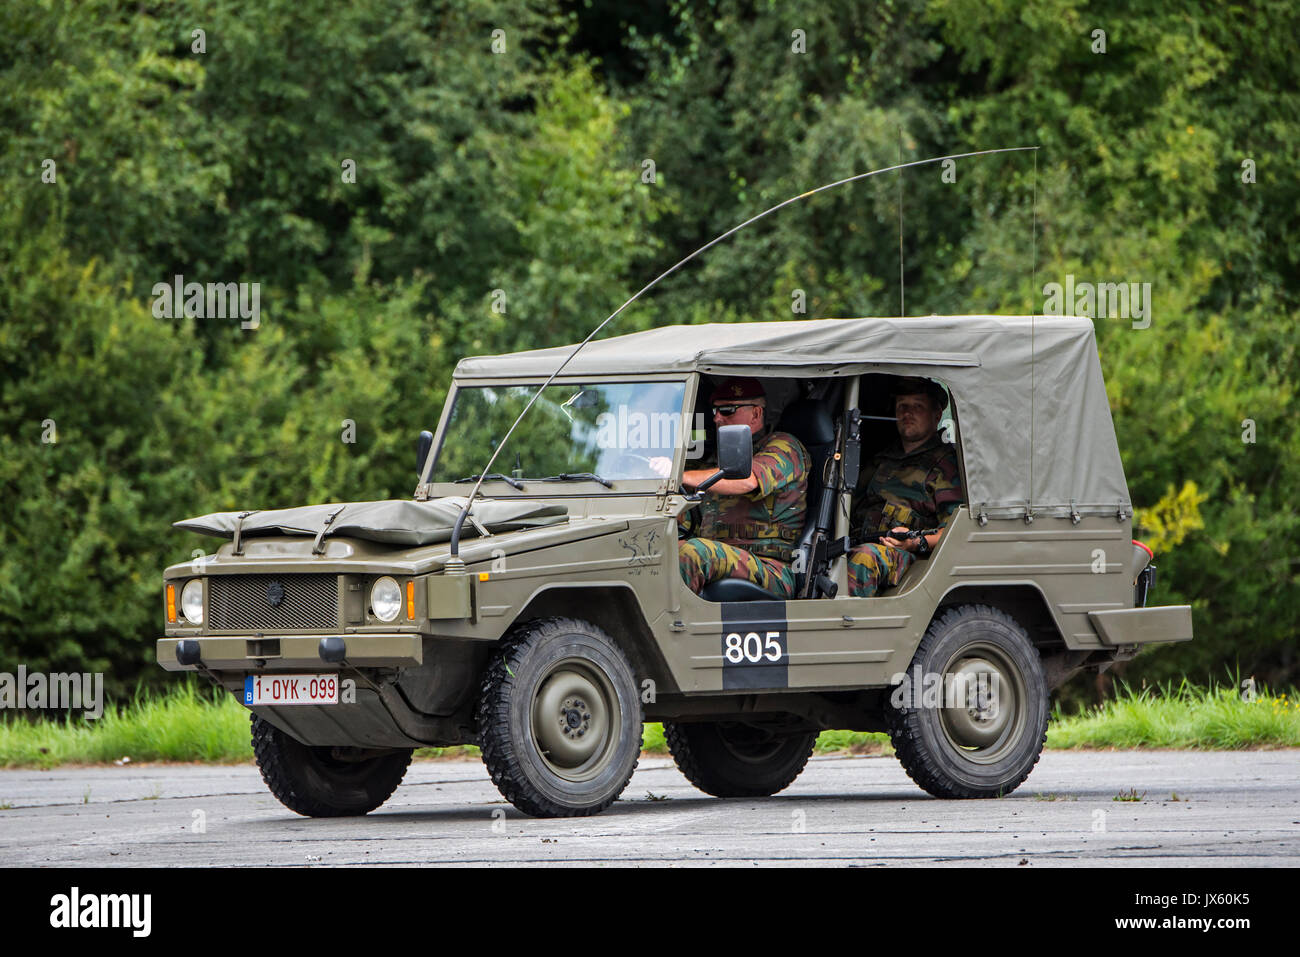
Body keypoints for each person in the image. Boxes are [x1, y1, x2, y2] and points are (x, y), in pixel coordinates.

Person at [650, 378, 809, 598]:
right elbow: (688, 520)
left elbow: (748, 480)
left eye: (727, 410)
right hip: (722, 558)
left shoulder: (783, 447)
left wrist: (678, 475)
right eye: (715, 410)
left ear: (756, 414)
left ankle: (665, 628)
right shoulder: (716, 462)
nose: (717, 418)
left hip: (771, 568)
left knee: (691, 552)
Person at [848, 377, 963, 597]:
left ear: (937, 415)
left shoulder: (946, 465)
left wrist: (914, 542)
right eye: (902, 406)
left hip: (909, 556)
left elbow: (954, 532)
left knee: (864, 558)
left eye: (917, 406)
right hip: (864, 541)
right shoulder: (882, 460)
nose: (907, 413)